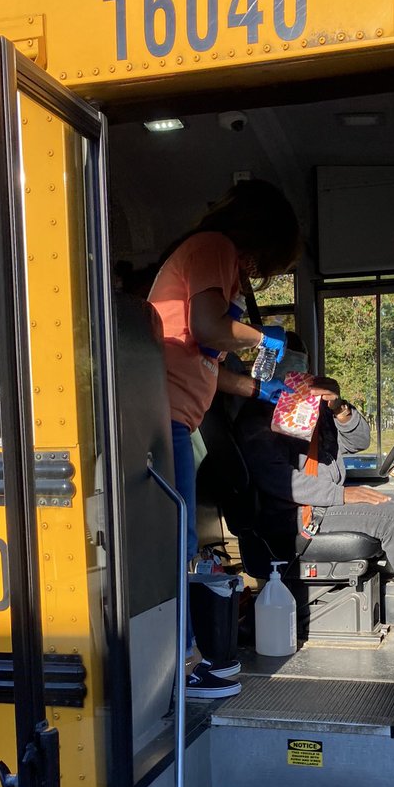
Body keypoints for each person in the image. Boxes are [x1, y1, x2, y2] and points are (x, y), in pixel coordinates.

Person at [148, 179, 331, 697]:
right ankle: (184, 665)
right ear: (257, 235)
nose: (256, 273)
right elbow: (208, 330)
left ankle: (191, 657)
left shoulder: (215, 258)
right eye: (264, 262)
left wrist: (260, 389)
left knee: (179, 538)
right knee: (177, 541)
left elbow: (206, 359)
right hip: (164, 417)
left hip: (176, 415)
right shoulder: (214, 247)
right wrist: (263, 334)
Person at [234, 375, 394, 599]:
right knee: (391, 517)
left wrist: (339, 408)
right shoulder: (258, 414)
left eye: (303, 365)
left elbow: (358, 442)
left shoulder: (314, 406)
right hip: (295, 514)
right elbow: (278, 479)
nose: (297, 373)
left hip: (323, 503)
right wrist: (341, 494)